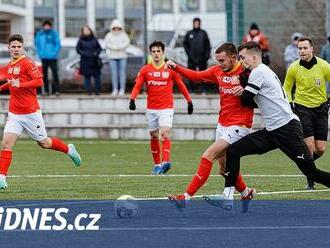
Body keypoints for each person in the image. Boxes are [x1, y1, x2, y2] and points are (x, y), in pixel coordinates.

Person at [202, 41, 330, 210]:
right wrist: (244, 89)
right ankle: (227, 198)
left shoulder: (259, 72)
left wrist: (242, 88)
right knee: (233, 150)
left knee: (311, 172)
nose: (241, 61)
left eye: (243, 57)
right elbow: (255, 101)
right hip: (272, 131)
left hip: (287, 129)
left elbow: (247, 101)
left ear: (254, 57)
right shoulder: (259, 72)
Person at [166, 43, 256, 213]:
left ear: (233, 57)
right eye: (217, 60)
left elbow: (261, 93)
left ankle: (185, 198)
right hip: (222, 124)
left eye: (222, 60)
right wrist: (176, 67)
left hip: (240, 126)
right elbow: (197, 76)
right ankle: (245, 193)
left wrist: (245, 90)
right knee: (223, 169)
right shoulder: (217, 71)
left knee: (207, 156)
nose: (219, 63)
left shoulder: (246, 73)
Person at [0, 34, 81, 190]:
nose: (16, 49)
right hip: (14, 114)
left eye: (18, 46)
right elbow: (11, 84)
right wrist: (2, 87)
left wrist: (21, 85)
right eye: (13, 46)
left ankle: (69, 150)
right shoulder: (10, 65)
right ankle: (2, 177)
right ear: (9, 48)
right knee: (6, 145)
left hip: (30, 113)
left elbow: (39, 82)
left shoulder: (28, 63)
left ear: (22, 47)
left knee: (44, 143)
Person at [129, 41, 193, 174]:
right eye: (154, 51)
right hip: (151, 108)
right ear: (151, 53)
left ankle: (166, 162)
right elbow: (137, 85)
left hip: (166, 108)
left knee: (164, 134)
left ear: (163, 53)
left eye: (159, 51)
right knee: (153, 136)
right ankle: (157, 164)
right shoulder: (145, 69)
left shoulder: (170, 69)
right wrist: (132, 99)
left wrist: (189, 101)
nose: (156, 54)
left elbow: (181, 85)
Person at [283, 37, 330, 190]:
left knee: (321, 149)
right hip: (302, 108)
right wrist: (290, 104)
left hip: (321, 109)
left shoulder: (324, 66)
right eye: (300, 48)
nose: (302, 51)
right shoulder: (294, 68)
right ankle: (310, 179)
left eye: (304, 48)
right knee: (309, 145)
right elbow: (287, 88)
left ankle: (305, 164)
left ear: (311, 49)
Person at [183, 17, 211, 94]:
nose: (196, 24)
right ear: (193, 24)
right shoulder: (189, 34)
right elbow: (185, 45)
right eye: (195, 23)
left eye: (198, 23)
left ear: (200, 24)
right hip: (191, 59)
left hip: (202, 59)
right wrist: (189, 54)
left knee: (204, 75)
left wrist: (207, 56)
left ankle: (203, 90)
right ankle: (191, 90)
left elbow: (208, 45)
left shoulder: (203, 33)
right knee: (190, 75)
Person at [104, 19, 130, 96]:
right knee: (114, 74)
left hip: (122, 57)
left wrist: (119, 47)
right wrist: (114, 48)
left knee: (122, 73)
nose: (116, 29)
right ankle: (115, 89)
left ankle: (122, 89)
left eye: (118, 27)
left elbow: (127, 43)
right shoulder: (109, 35)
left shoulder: (124, 35)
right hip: (112, 57)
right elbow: (107, 44)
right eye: (115, 27)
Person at [35, 20, 61, 95]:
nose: (46, 27)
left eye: (48, 25)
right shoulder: (40, 34)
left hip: (53, 58)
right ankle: (46, 91)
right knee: (44, 75)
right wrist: (40, 54)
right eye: (45, 25)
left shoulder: (54, 34)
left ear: (50, 26)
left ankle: (56, 90)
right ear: (43, 26)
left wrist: (54, 53)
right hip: (44, 58)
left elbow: (58, 44)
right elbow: (37, 45)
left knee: (55, 74)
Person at [76, 25, 102, 95]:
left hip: (94, 61)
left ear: (90, 31)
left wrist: (96, 53)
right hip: (85, 61)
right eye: (85, 30)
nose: (86, 31)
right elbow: (78, 49)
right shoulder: (81, 40)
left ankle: (97, 91)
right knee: (87, 78)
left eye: (88, 30)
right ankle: (89, 91)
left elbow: (99, 48)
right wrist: (84, 53)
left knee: (97, 77)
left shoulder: (94, 39)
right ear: (83, 32)